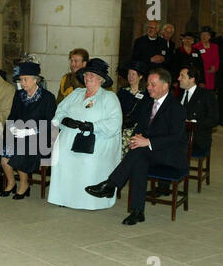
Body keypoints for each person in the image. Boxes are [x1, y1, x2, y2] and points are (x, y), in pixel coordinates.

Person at [85, 68, 187, 225]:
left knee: (139, 153)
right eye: (148, 85)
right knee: (139, 158)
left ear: (165, 86)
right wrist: (136, 138)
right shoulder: (148, 103)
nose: (149, 88)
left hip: (171, 155)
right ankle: (137, 211)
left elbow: (175, 138)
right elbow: (140, 127)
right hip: (149, 153)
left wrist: (148, 142)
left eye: (153, 85)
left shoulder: (175, 107)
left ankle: (111, 184)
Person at [47, 58, 122, 210]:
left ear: (101, 79)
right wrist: (65, 120)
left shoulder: (108, 97)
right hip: (71, 137)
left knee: (89, 160)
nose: (88, 78)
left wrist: (93, 126)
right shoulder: (76, 93)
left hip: (98, 139)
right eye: (87, 74)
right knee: (62, 154)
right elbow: (60, 110)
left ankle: (89, 200)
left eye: (92, 76)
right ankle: (65, 197)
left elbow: (115, 122)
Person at [152, 65, 219, 197]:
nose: (178, 79)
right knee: (159, 142)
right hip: (180, 136)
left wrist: (194, 123)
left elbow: (214, 120)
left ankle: (164, 183)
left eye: (182, 76)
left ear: (192, 79)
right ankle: (162, 178)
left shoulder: (206, 95)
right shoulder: (179, 95)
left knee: (169, 146)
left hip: (198, 138)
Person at [0, 62, 56, 199]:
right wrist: (12, 127)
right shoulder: (19, 95)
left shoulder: (47, 97)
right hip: (19, 134)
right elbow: (12, 116)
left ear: (36, 79)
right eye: (21, 80)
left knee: (21, 149)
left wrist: (30, 132)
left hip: (40, 137)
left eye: (25, 79)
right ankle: (12, 182)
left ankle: (24, 185)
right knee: (4, 156)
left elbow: (51, 124)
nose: (22, 83)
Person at [116, 61, 151, 156]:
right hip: (122, 130)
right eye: (129, 74)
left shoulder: (146, 94)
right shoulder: (122, 92)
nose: (130, 77)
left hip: (138, 133)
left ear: (140, 76)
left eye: (133, 74)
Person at [193, 26, 220, 91]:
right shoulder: (195, 47)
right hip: (201, 76)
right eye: (202, 35)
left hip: (212, 75)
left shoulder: (215, 46)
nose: (204, 36)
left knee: (210, 95)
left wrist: (214, 67)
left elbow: (217, 59)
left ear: (210, 36)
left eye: (206, 35)